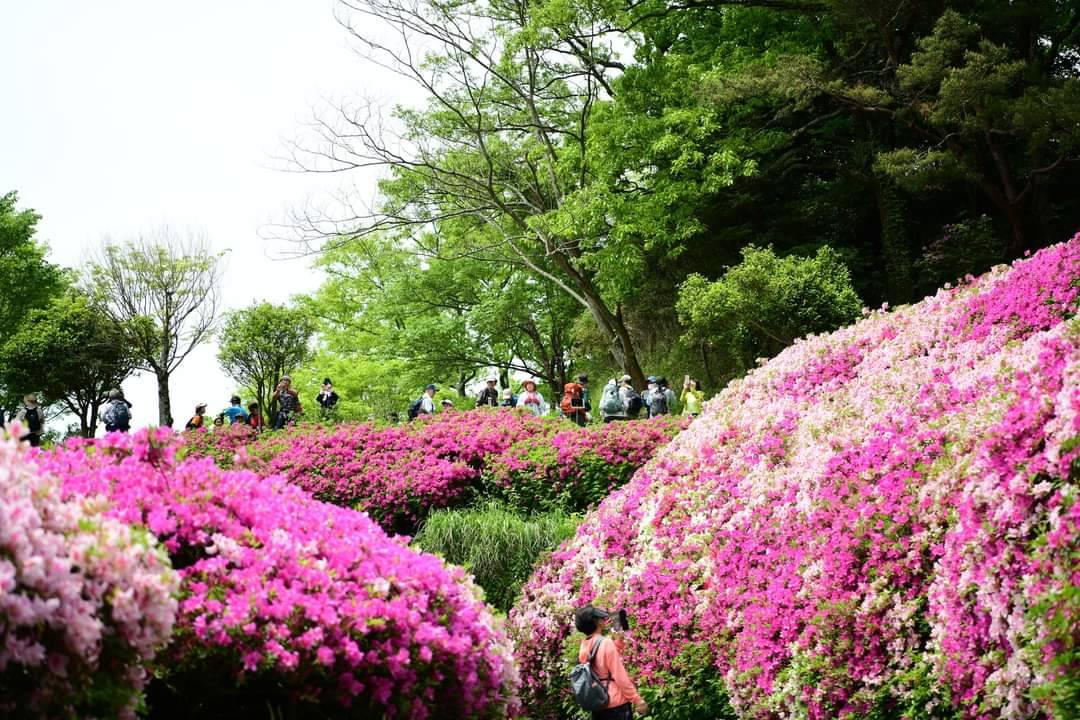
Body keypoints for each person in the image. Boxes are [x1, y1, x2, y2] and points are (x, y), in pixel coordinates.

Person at [575, 605, 647, 719]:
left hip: (599, 703)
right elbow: (620, 676)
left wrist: (619, 642)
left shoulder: (584, 645)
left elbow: (600, 664)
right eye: (600, 618)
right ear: (596, 621)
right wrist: (637, 700)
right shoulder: (605, 643)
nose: (604, 619)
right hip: (616, 706)